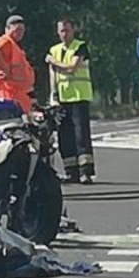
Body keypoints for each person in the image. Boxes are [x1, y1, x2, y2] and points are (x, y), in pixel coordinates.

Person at [46, 17, 96, 184]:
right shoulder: (54, 50)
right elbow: (52, 75)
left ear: (73, 30)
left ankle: (85, 172)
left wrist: (53, 62)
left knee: (81, 135)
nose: (64, 34)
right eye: (61, 30)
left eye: (67, 30)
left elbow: (71, 68)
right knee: (64, 136)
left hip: (79, 97)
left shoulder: (80, 47)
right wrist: (53, 95)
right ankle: (70, 171)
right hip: (62, 99)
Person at [0, 15, 35, 113]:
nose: (20, 33)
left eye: (22, 30)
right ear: (7, 28)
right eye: (17, 29)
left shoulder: (14, 44)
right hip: (9, 91)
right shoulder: (5, 40)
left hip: (17, 92)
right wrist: (7, 72)